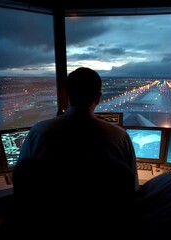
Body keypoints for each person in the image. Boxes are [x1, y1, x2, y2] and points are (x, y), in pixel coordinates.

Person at [11, 67, 139, 238]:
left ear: (65, 95)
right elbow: (132, 189)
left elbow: (21, 180)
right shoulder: (120, 136)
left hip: (44, 229)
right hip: (105, 229)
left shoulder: (37, 132)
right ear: (98, 98)